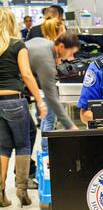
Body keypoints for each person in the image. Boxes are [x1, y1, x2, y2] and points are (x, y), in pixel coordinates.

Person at [0, 8, 48, 208]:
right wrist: (40, 100)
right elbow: (27, 75)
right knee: (23, 143)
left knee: (2, 147)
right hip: (14, 100)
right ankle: (22, 189)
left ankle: (1, 191)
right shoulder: (17, 44)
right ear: (12, 22)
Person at [26, 23, 80, 152]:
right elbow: (51, 98)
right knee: (23, 140)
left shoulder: (44, 43)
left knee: (29, 132)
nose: (70, 57)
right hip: (9, 92)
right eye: (71, 52)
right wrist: (70, 126)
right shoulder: (46, 60)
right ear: (61, 46)